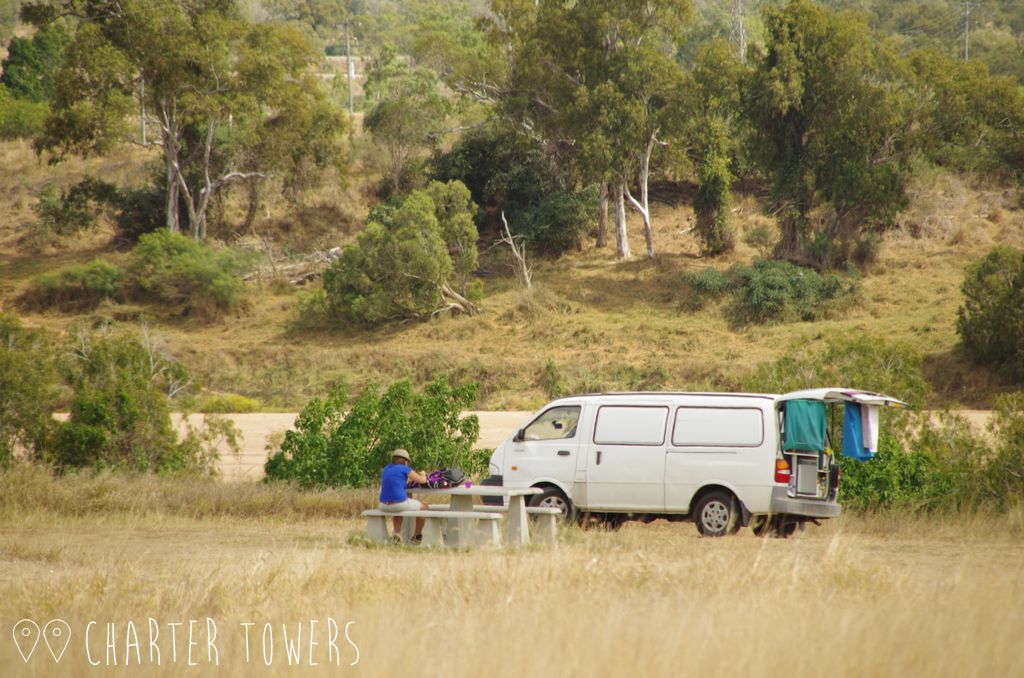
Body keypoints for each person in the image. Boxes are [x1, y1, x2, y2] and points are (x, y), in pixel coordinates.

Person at [378, 449, 428, 543]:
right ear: (405, 461)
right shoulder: (404, 468)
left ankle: (397, 535)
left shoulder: (386, 469)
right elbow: (422, 481)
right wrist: (423, 474)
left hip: (383, 505)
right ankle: (417, 536)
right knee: (424, 507)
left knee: (398, 510)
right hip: (398, 504)